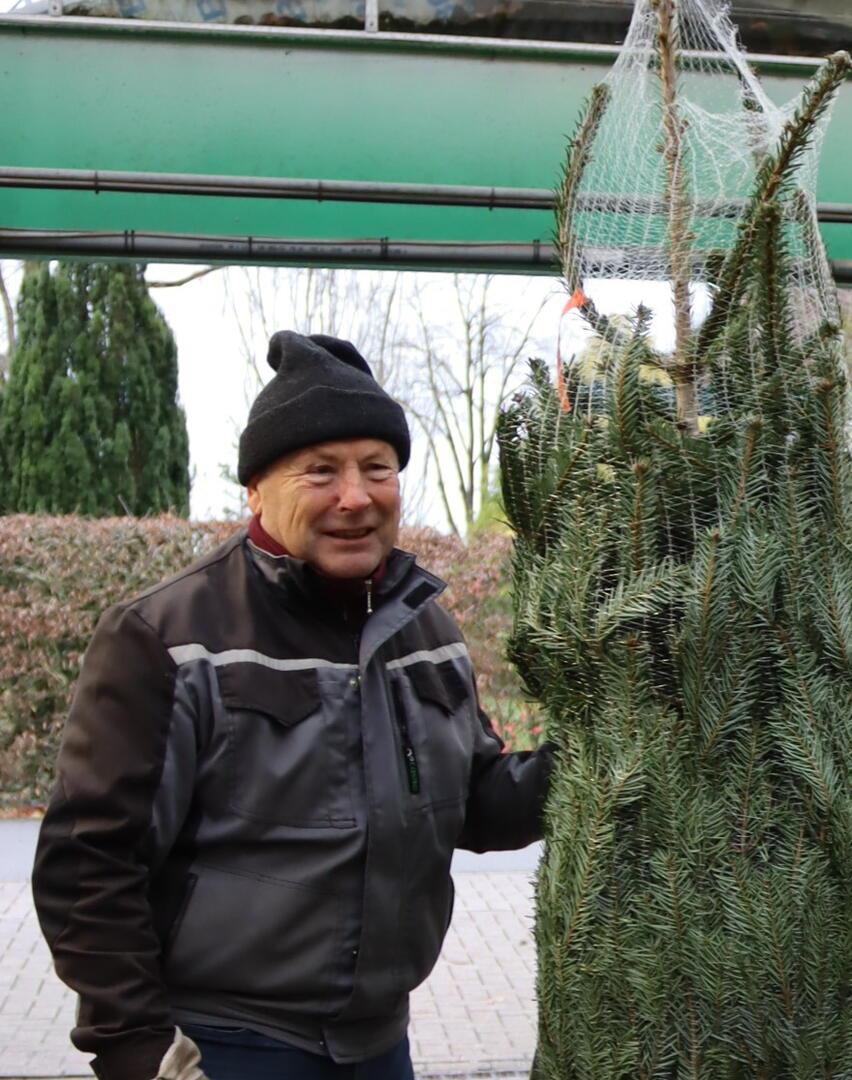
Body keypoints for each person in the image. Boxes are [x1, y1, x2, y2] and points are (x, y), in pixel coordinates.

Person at [33, 330, 552, 1080]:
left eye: (378, 469)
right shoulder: (169, 637)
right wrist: (138, 1051)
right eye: (320, 471)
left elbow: (472, 802)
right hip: (223, 1045)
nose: (355, 496)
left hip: (379, 1046)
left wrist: (595, 762)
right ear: (256, 489)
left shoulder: (426, 630)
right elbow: (89, 865)